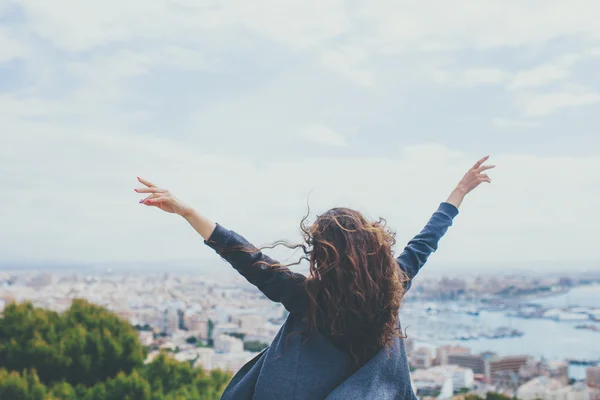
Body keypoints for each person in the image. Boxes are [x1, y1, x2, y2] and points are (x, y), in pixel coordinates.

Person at [134, 156, 494, 400]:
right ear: (373, 248)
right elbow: (425, 241)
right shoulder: (393, 286)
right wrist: (459, 192)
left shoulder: (306, 296)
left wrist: (187, 212)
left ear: (322, 255)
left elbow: (245, 255)